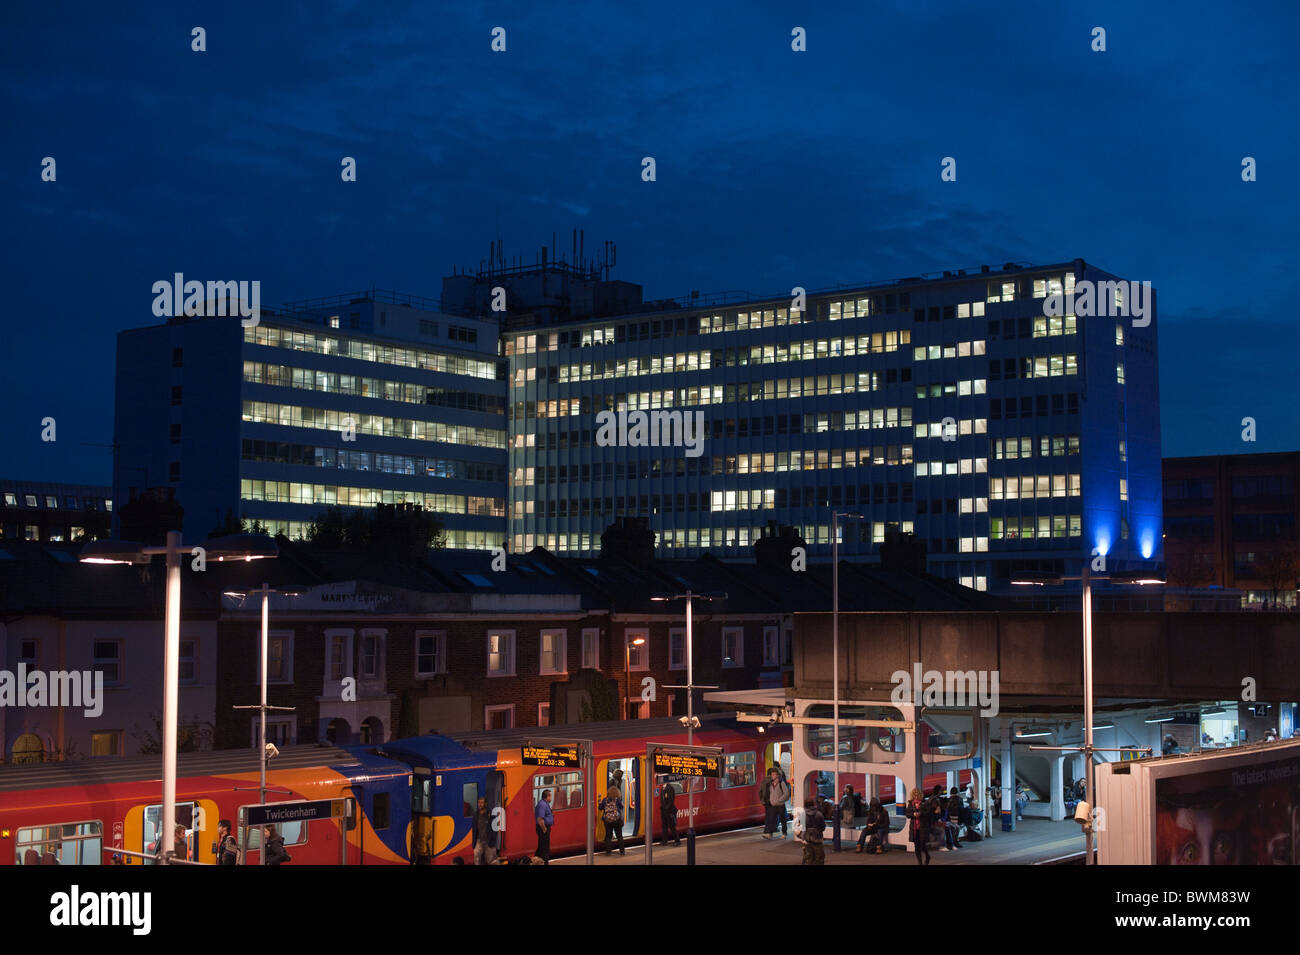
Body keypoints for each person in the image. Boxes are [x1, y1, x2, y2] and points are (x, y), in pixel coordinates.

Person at [762, 769, 790, 839]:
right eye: (772, 774)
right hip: (773, 805)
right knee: (772, 820)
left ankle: (784, 834)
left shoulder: (781, 783)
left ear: (778, 775)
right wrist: (771, 801)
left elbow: (786, 794)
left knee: (782, 820)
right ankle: (770, 834)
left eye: (774, 774)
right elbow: (771, 793)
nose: (772, 776)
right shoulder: (771, 784)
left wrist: (779, 800)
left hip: (780, 805)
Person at [906, 788, 931, 865]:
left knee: (922, 844)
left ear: (920, 795)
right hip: (914, 828)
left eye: (917, 794)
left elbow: (928, 813)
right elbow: (907, 814)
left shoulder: (925, 803)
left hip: (923, 827)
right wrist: (913, 814)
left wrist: (921, 814)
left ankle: (927, 856)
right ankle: (919, 862)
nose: (916, 795)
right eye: (915, 794)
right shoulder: (911, 803)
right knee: (916, 846)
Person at [471, 796, 498, 865]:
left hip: (488, 841)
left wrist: (492, 841)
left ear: (486, 804)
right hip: (479, 841)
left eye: (482, 803)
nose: (480, 804)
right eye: (479, 802)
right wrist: (474, 843)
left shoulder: (491, 814)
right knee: (477, 861)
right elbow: (474, 829)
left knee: (492, 861)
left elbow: (495, 829)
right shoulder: (475, 815)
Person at [600, 789, 625, 855]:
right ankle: (622, 851)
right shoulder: (617, 800)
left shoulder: (605, 800)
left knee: (608, 836)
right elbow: (622, 807)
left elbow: (600, 808)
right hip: (617, 820)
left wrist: (600, 802)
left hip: (607, 820)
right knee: (619, 836)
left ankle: (608, 852)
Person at [801, 799, 825, 865]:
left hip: (807, 840)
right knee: (819, 860)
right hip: (818, 840)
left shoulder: (803, 815)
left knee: (808, 859)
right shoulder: (819, 814)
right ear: (813, 804)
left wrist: (802, 838)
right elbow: (823, 828)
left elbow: (802, 828)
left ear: (805, 805)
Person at [535, 789, 554, 865]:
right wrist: (544, 829)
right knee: (544, 847)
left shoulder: (544, 804)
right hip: (543, 828)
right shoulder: (542, 804)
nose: (551, 798)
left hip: (544, 828)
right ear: (547, 796)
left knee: (541, 846)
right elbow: (540, 819)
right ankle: (545, 863)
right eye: (551, 796)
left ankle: (536, 861)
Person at [660, 782, 680, 846]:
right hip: (664, 810)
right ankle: (664, 841)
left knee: (672, 826)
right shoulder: (663, 788)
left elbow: (671, 800)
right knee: (664, 826)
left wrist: (667, 808)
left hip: (669, 810)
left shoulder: (670, 788)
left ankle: (677, 841)